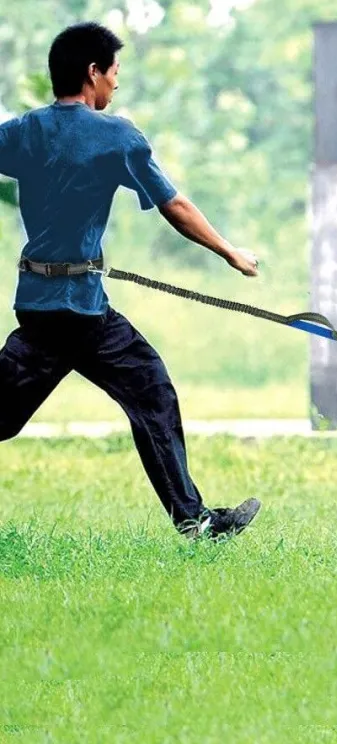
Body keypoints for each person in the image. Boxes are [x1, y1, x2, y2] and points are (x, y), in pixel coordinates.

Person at [0, 21, 262, 540]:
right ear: (92, 73)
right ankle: (196, 522)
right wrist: (230, 252)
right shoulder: (115, 136)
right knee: (152, 391)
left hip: (42, 303)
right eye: (114, 73)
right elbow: (176, 206)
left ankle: (195, 519)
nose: (116, 85)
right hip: (79, 309)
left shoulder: (22, 131)